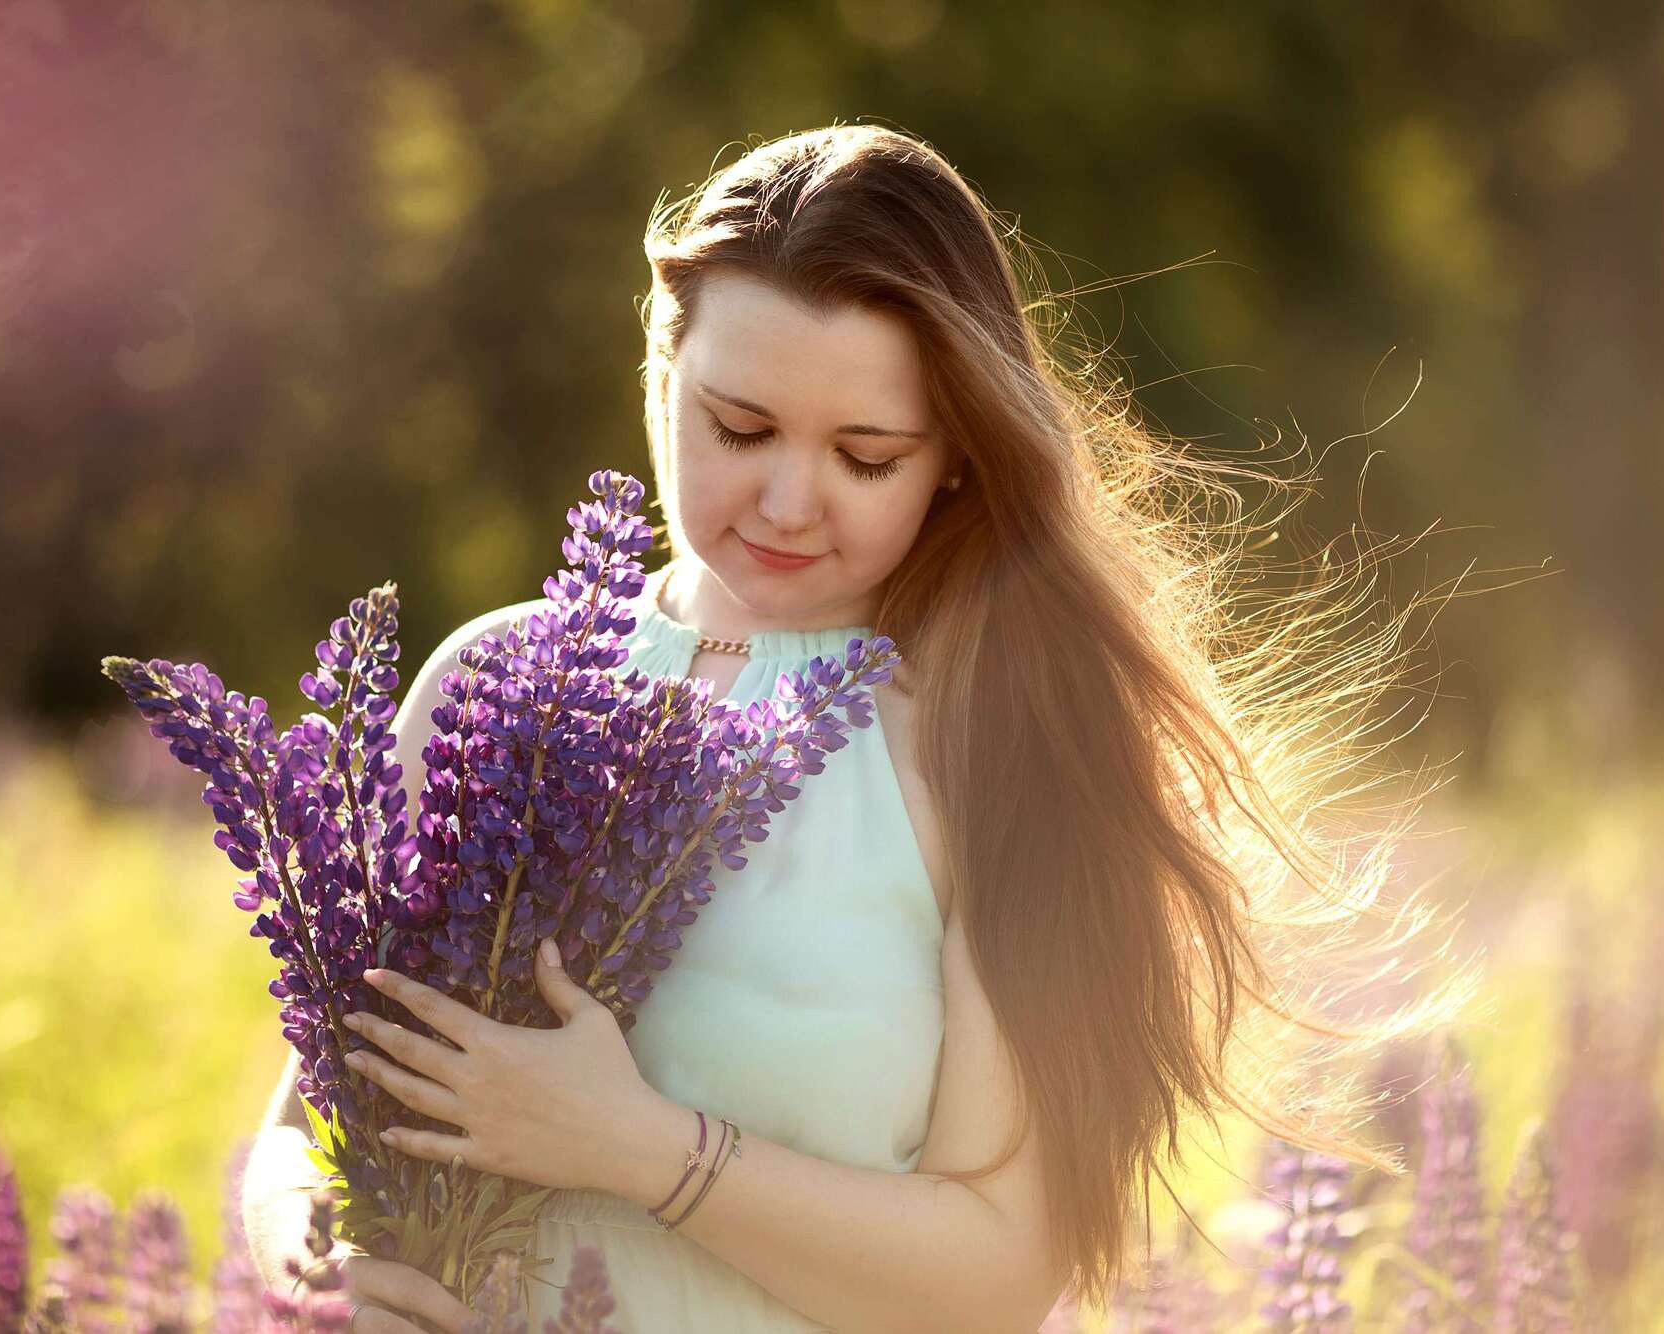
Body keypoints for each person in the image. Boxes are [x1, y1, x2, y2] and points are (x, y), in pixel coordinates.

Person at [239, 123, 1476, 1332]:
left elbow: (995, 1277)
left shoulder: (986, 747)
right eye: (738, 427)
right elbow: (305, 1126)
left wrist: (637, 1146)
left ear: (953, 459)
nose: (787, 500)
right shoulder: (492, 680)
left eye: (865, 455)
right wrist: (304, 1255)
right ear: (660, 376)